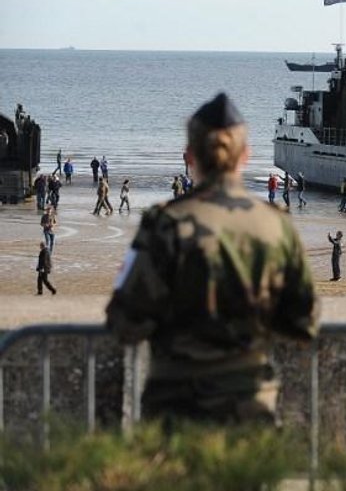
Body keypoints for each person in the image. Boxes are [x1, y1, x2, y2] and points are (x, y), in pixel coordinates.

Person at [105, 92, 320, 424]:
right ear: (245, 155)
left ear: (190, 155)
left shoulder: (166, 224)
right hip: (251, 405)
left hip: (175, 407)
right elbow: (304, 321)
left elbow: (126, 321)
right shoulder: (275, 224)